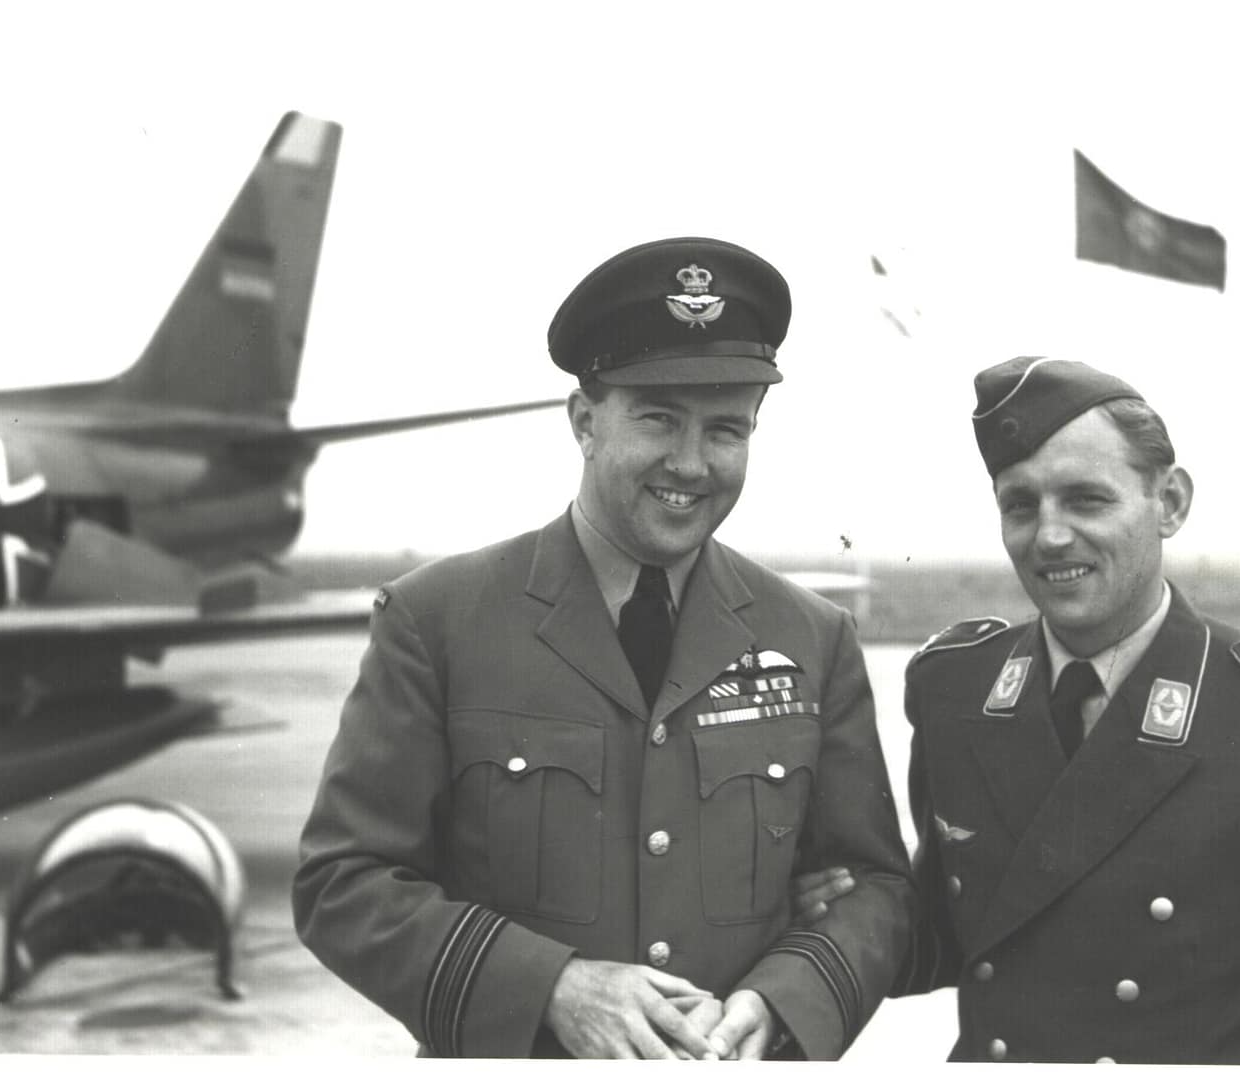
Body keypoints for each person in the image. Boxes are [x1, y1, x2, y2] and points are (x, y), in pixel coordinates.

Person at [293, 237, 912, 1059]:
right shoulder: (437, 621)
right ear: (584, 421)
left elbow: (873, 889)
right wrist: (551, 988)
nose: (690, 464)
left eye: (725, 430)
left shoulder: (810, 637)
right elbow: (343, 884)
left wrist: (781, 1000)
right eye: (658, 418)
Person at [795, 354, 1240, 1064]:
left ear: (1169, 503)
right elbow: (962, 932)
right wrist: (833, 908)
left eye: (1086, 500)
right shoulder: (955, 687)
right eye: (1020, 505)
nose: (1049, 535)